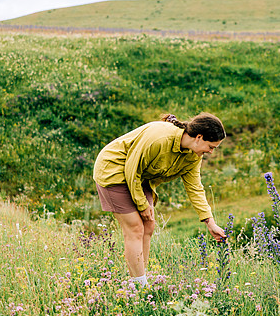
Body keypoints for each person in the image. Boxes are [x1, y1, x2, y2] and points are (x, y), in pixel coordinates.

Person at [94, 112, 228, 287]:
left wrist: (209, 222)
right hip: (115, 169)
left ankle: (140, 277)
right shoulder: (159, 140)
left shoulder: (193, 156)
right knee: (134, 228)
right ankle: (140, 287)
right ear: (199, 137)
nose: (210, 152)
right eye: (211, 146)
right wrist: (142, 204)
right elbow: (131, 169)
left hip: (139, 176)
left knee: (148, 225)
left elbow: (195, 187)